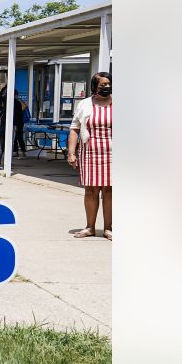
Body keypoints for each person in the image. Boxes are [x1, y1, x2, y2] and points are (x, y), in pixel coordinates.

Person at [68, 71, 112, 240]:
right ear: (95, 86)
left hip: (113, 153)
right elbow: (74, 129)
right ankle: (90, 227)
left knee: (110, 191)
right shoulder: (85, 104)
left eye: (108, 84)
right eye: (103, 85)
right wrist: (71, 153)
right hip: (90, 151)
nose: (107, 87)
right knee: (91, 190)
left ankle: (108, 228)